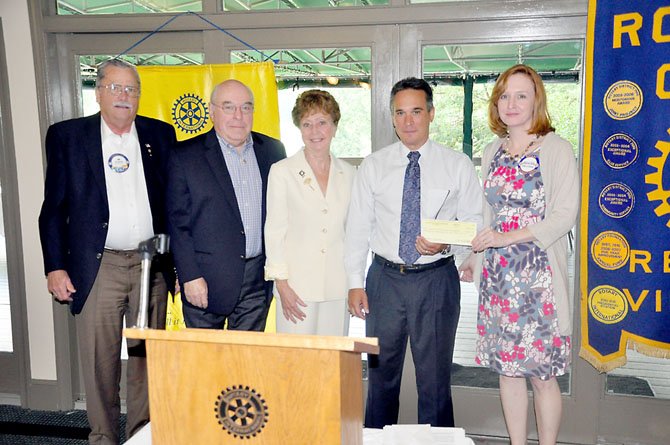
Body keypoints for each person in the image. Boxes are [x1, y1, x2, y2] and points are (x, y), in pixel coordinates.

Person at [38, 58, 176, 444]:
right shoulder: (68, 136)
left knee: (145, 361)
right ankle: (103, 437)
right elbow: (53, 208)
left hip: (152, 266)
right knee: (99, 363)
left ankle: (140, 435)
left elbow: (173, 204)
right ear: (97, 92)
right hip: (98, 266)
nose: (124, 96)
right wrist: (55, 267)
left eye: (131, 89)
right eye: (115, 87)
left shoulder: (160, 135)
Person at [345, 77, 483, 428]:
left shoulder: (457, 164)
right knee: (380, 380)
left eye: (416, 111)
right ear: (392, 117)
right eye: (400, 113)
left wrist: (446, 243)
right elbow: (358, 228)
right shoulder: (373, 166)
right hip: (384, 282)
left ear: (431, 114)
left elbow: (475, 221)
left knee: (435, 381)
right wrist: (354, 283)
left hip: (436, 281)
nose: (408, 121)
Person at [459, 64, 579, 445]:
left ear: (536, 101)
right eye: (504, 96)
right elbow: (486, 213)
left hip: (538, 280)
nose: (511, 103)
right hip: (499, 280)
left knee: (542, 376)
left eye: (521, 95)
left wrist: (506, 237)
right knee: (508, 372)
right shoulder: (492, 149)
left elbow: (564, 215)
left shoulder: (557, 149)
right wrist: (474, 256)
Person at [167, 79, 286, 331]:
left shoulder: (273, 151)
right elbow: (178, 224)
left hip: (257, 280)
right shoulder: (185, 155)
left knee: (245, 364)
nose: (238, 116)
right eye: (228, 107)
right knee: (205, 365)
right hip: (206, 281)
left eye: (246, 107)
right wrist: (189, 276)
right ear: (211, 111)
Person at [264, 90, 355, 335]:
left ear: (335, 126)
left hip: (338, 287)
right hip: (296, 288)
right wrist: (281, 284)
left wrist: (356, 284)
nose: (315, 131)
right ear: (299, 128)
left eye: (322, 122)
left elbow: (354, 233)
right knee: (296, 365)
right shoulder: (282, 171)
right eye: (307, 124)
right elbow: (274, 231)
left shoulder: (350, 173)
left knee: (332, 363)